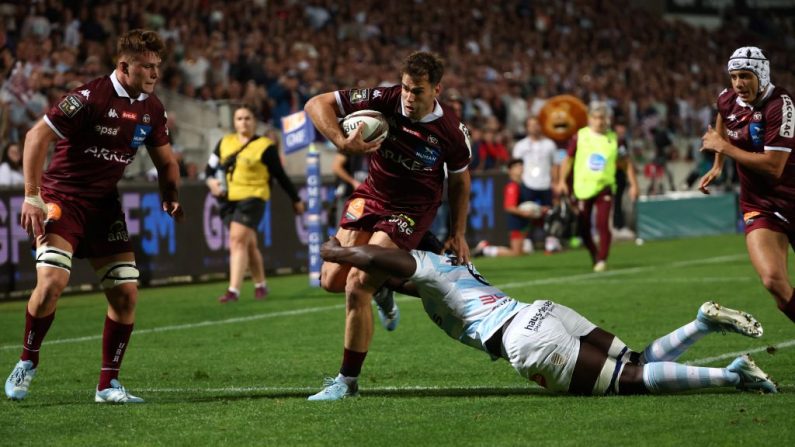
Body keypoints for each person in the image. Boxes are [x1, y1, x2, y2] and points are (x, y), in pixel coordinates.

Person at [319, 237, 777, 397]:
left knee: (630, 383)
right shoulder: (453, 274)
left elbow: (384, 258)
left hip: (525, 340)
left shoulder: (429, 264)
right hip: (541, 312)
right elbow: (389, 277)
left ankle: (733, 376)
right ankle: (700, 322)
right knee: (634, 360)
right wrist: (371, 288)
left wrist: (336, 252)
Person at [5, 29, 183, 403]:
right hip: (62, 198)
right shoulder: (89, 97)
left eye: (157, 67)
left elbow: (166, 161)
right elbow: (37, 136)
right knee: (52, 282)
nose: (154, 74)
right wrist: (32, 197)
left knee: (126, 296)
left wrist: (170, 196)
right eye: (146, 67)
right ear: (123, 65)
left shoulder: (152, 109)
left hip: (104, 206)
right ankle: (27, 360)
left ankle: (108, 385)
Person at [304, 51, 472, 401]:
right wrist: (340, 140)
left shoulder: (452, 132)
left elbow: (459, 182)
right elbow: (316, 103)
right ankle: (387, 285)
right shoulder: (385, 98)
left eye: (419, 91)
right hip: (371, 195)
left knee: (356, 284)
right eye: (407, 88)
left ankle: (347, 382)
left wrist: (458, 233)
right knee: (331, 281)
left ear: (437, 89)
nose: (410, 98)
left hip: (411, 210)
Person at [699, 46, 795, 323]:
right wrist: (718, 164)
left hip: (792, 197)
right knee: (773, 281)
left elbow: (773, 167)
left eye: (745, 76)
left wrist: (724, 149)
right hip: (760, 205)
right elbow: (722, 118)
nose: (738, 84)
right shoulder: (727, 100)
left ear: (762, 75)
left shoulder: (781, 105)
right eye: (734, 77)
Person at [206, 106, 304, 303]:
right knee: (249, 245)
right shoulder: (224, 142)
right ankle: (261, 285)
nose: (243, 122)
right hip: (227, 199)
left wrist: (295, 199)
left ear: (255, 121)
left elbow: (280, 176)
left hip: (253, 197)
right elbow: (209, 169)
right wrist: (211, 182)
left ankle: (233, 290)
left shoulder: (265, 146)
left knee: (236, 240)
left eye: (247, 118)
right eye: (239, 118)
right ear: (234, 122)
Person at [557, 102, 639, 272]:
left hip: (604, 186)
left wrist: (633, 184)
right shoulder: (580, 136)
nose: (599, 121)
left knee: (602, 224)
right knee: (584, 226)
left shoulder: (615, 139)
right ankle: (594, 254)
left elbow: (625, 163)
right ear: (589, 119)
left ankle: (602, 259)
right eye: (595, 118)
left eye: (602, 118)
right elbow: (568, 160)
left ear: (607, 120)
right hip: (582, 187)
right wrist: (561, 181)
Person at [473, 159, 543, 257]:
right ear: (510, 170)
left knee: (523, 252)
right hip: (516, 222)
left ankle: (487, 248)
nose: (520, 168)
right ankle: (486, 249)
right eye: (517, 166)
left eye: (521, 166)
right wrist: (525, 213)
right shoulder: (512, 186)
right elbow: (509, 207)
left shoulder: (522, 185)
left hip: (523, 222)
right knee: (516, 253)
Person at [512, 116, 560, 252]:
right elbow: (516, 165)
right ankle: (527, 241)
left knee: (549, 213)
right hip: (528, 183)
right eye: (531, 124)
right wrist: (519, 181)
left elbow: (555, 165)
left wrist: (555, 182)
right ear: (527, 127)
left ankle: (550, 240)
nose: (534, 127)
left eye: (536, 124)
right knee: (528, 212)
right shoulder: (521, 145)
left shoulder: (549, 144)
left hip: (545, 183)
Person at [330, 152, 368, 226]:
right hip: (349, 195)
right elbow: (336, 167)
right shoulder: (349, 146)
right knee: (345, 226)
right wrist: (353, 182)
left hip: (368, 197)